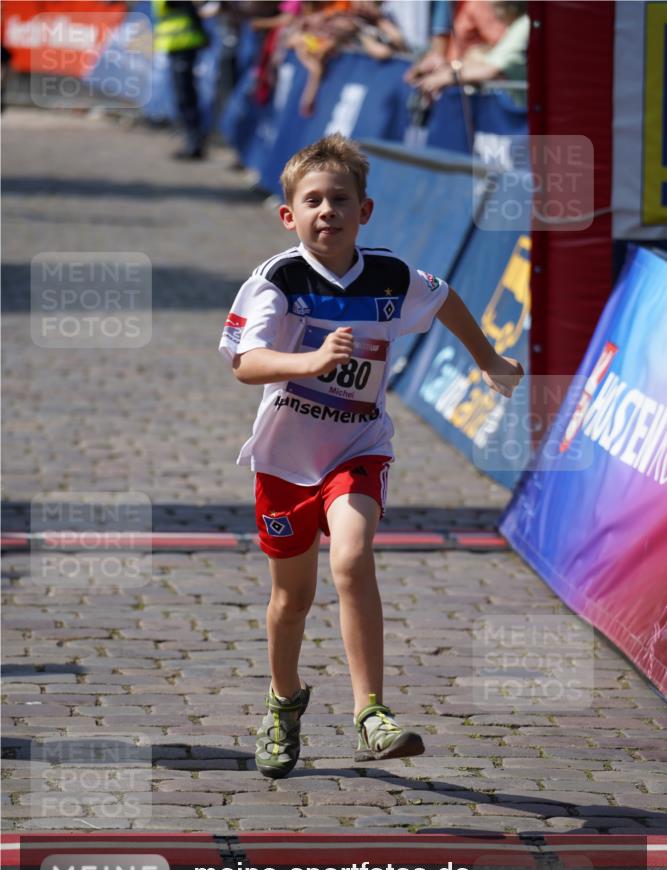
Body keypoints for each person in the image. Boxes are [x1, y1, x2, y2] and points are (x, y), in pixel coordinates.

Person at [218, 134, 523, 779]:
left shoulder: (391, 275)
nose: (327, 210)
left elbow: (443, 301)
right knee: (290, 600)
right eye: (313, 201)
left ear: (366, 210)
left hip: (359, 446)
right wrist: (312, 360)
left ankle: (370, 715)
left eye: (341, 199)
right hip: (285, 457)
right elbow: (247, 365)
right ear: (289, 215)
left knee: (353, 559)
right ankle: (283, 702)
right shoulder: (277, 279)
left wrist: (489, 358)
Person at [153, 0, 210, 159]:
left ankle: (194, 143)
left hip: (185, 44)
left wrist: (201, 32)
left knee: (185, 97)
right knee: (183, 97)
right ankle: (192, 141)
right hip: (176, 45)